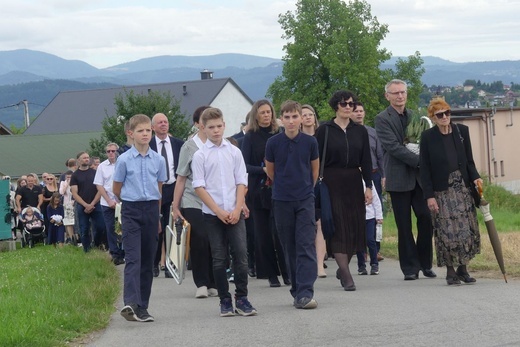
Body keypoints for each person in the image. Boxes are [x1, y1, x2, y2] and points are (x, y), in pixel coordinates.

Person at [192, 107, 257, 317]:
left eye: (219, 126)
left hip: (234, 211)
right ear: (203, 128)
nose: (216, 131)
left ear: (224, 125)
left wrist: (237, 208)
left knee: (241, 255)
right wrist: (218, 211)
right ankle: (224, 300)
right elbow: (199, 187)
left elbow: (241, 182)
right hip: (213, 214)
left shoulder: (234, 151)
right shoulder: (200, 155)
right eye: (211, 127)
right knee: (219, 258)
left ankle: (242, 297)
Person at [374, 79, 436, 281]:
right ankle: (410, 268)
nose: (400, 96)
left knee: (426, 218)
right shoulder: (382, 119)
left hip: (419, 179)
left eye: (402, 92)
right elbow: (393, 147)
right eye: (395, 93)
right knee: (404, 225)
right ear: (387, 96)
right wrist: (420, 162)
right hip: (399, 177)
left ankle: (425, 263)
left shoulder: (414, 115)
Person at [315, 90, 373, 291]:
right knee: (338, 225)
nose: (348, 107)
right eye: (344, 104)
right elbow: (316, 160)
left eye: (351, 103)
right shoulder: (325, 130)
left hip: (353, 181)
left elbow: (366, 160)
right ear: (335, 106)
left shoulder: (360, 131)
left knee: (354, 226)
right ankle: (346, 275)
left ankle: (342, 267)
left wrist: (369, 186)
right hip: (332, 182)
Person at [420, 98, 482, 285]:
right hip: (442, 191)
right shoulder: (428, 137)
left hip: (462, 188)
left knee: (466, 230)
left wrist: (476, 177)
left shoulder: (462, 131)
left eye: (447, 113)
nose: (445, 117)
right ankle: (450, 271)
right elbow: (425, 168)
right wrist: (429, 196)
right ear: (433, 117)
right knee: (447, 231)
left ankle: (463, 269)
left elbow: (469, 161)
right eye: (440, 115)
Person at [265, 100, 319, 309]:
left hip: (305, 198)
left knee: (306, 244)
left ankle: (306, 291)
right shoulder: (273, 143)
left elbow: (314, 170)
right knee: (289, 247)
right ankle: (297, 291)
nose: (291, 121)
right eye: (286, 117)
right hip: (281, 200)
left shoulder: (310, 142)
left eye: (294, 116)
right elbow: (271, 171)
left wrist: (306, 189)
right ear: (281, 119)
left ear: (301, 118)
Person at [113, 114, 167, 323]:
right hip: (131, 210)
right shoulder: (124, 160)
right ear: (131, 134)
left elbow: (159, 188)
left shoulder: (158, 160)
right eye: (140, 131)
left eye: (148, 131)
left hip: (152, 210)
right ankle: (130, 303)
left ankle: (142, 307)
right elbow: (116, 188)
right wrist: (129, 201)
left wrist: (159, 217)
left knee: (147, 259)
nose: (145, 134)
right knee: (133, 258)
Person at [241, 99, 289, 287]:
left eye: (269, 111)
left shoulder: (279, 133)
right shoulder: (250, 137)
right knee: (263, 234)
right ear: (256, 115)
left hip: (278, 188)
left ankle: (286, 272)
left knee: (280, 233)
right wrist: (263, 170)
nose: (267, 115)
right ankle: (270, 274)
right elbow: (244, 165)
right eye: (263, 112)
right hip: (258, 190)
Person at [172, 105, 217, 298]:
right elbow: (181, 177)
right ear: (198, 124)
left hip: (216, 200)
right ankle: (201, 282)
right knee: (199, 238)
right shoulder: (189, 147)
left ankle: (214, 281)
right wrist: (176, 206)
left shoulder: (219, 145)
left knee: (215, 241)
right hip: (193, 199)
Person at [149, 113, 184, 278]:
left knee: (175, 228)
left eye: (165, 122)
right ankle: (154, 263)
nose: (163, 125)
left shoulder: (178, 144)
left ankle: (171, 264)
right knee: (158, 227)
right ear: (153, 127)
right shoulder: (148, 145)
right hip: (156, 189)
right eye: (160, 122)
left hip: (175, 187)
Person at [351, 102, 386, 261]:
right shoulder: (348, 133)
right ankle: (360, 249)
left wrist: (383, 175)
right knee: (358, 211)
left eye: (361, 111)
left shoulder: (373, 132)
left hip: (374, 174)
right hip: (354, 176)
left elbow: (380, 155)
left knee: (376, 210)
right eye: (355, 111)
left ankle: (375, 249)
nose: (359, 113)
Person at [301, 104, 327, 278]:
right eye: (304, 115)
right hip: (302, 185)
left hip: (321, 183)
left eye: (311, 114)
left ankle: (319, 264)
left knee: (320, 224)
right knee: (306, 225)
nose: (308, 117)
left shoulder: (322, 136)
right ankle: (306, 261)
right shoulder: (297, 139)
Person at [94, 143, 125, 265]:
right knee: (110, 228)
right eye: (108, 151)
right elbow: (99, 185)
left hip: (122, 201)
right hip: (107, 202)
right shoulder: (102, 166)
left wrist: (120, 200)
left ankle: (123, 251)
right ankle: (114, 253)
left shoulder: (122, 164)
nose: (111, 153)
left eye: (113, 151)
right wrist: (109, 200)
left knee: (123, 227)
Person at [70, 151, 107, 252]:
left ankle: (96, 243)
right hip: (82, 206)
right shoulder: (75, 175)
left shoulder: (95, 173)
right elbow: (74, 193)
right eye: (84, 158)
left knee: (101, 226)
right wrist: (85, 205)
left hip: (96, 204)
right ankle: (87, 250)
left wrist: (92, 203)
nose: (86, 159)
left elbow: (100, 189)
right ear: (78, 160)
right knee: (84, 229)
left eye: (87, 158)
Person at [355, 180, 383, 276]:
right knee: (359, 241)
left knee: (370, 240)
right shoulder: (351, 180)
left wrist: (379, 216)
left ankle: (374, 264)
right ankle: (361, 266)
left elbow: (375, 199)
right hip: (357, 217)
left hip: (369, 216)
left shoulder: (368, 182)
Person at [59, 170, 77, 245]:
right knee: (68, 221)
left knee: (75, 221)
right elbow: (61, 192)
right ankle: (71, 237)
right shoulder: (63, 183)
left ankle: (77, 237)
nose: (69, 178)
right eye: (67, 177)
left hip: (74, 203)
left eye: (70, 177)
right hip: (67, 204)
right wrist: (67, 184)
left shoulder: (76, 182)